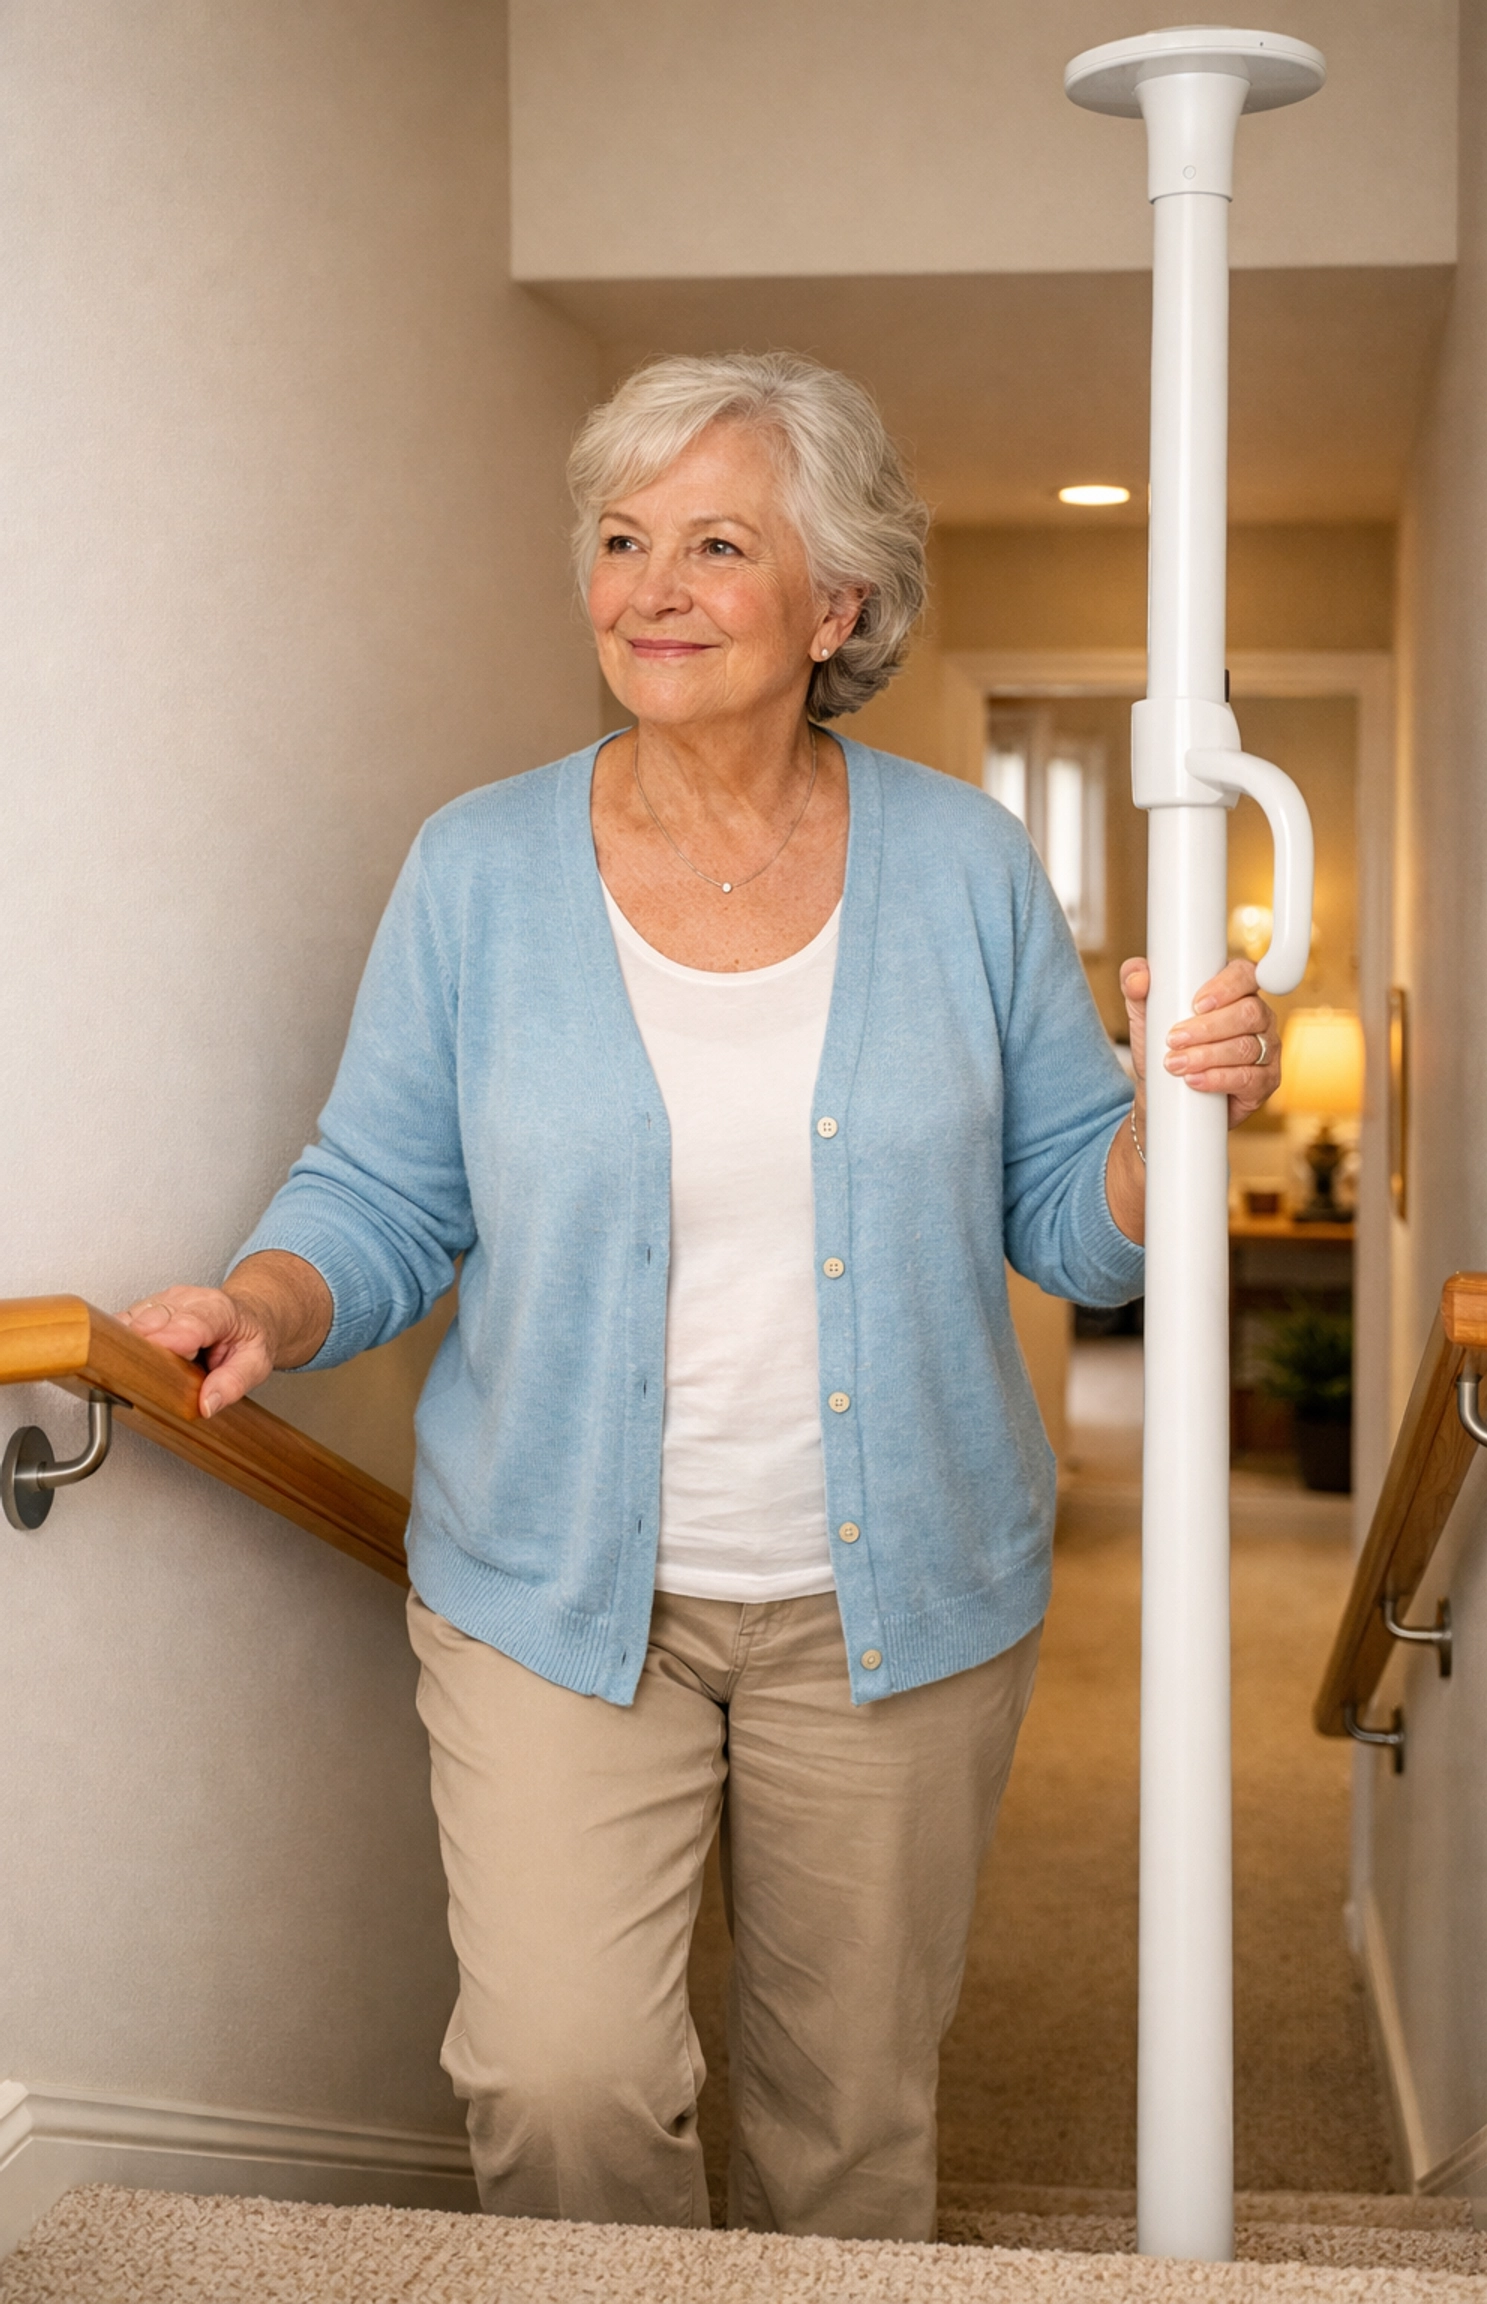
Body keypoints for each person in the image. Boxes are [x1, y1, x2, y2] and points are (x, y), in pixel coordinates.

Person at [121, 352, 1281, 2241]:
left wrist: (1165, 1129)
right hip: (553, 1590)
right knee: (556, 2077)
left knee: (847, 2116)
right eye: (621, 539)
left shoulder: (967, 867)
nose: (649, 588)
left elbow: (1076, 1222)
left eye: (717, 545)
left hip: (898, 1598)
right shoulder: (477, 870)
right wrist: (269, 1296)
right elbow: (384, 1187)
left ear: (837, 607)